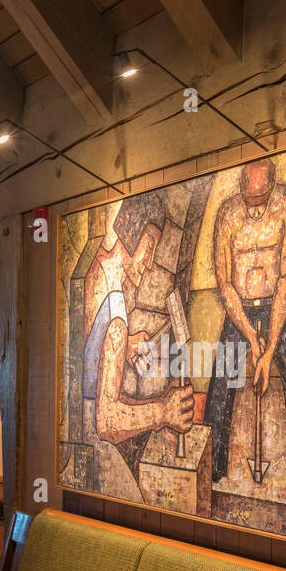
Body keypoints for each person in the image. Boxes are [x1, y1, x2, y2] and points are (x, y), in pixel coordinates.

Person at [204, 159, 286, 494]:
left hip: (276, 305)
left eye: (260, 200)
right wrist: (251, 338)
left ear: (271, 186)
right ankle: (211, 468)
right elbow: (225, 283)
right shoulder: (226, 214)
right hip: (239, 307)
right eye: (248, 200)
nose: (254, 208)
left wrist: (268, 350)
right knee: (219, 389)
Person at [80, 192, 193, 500]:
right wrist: (164, 412)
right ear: (131, 233)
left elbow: (89, 349)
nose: (150, 259)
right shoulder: (117, 310)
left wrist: (126, 347)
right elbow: (106, 422)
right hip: (94, 445)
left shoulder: (94, 275)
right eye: (150, 244)